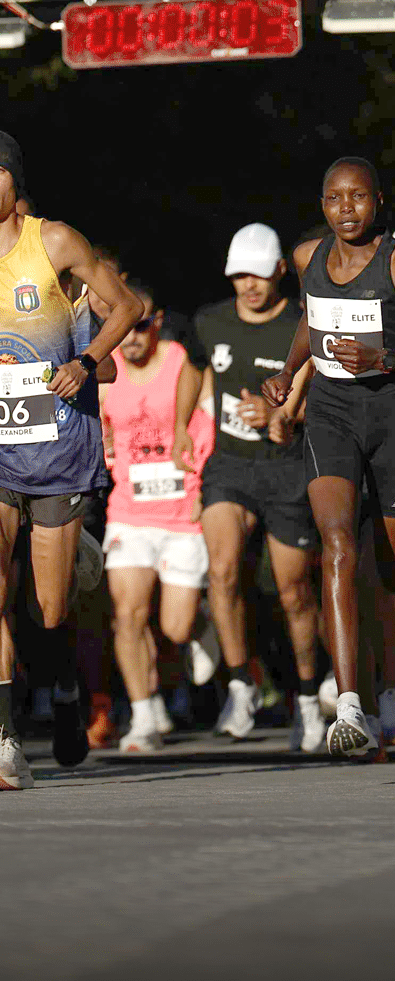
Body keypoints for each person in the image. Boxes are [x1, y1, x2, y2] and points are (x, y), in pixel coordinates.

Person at [0, 128, 141, 791]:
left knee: (49, 608)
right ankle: (6, 742)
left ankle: (68, 685)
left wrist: (86, 359)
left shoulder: (55, 242)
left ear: (16, 183)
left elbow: (129, 306)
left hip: (56, 440)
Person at [263, 158, 395, 755]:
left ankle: (390, 694)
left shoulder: (393, 258)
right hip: (333, 416)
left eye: (358, 198)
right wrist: (290, 372)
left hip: (390, 418)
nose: (347, 209)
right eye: (335, 198)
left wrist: (386, 359)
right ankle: (349, 708)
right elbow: (309, 319)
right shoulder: (307, 257)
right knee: (336, 546)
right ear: (322, 203)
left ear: (379, 202)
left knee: (389, 571)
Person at [179, 224, 323, 751]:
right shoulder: (210, 320)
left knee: (294, 591)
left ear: (280, 272)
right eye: (240, 274)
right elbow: (193, 370)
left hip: (286, 468)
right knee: (221, 568)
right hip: (230, 465)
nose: (250, 285)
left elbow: (325, 389)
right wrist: (179, 429)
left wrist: (285, 411)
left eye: (259, 274)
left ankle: (308, 698)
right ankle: (240, 684)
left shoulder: (299, 323)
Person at [99, 284, 214, 753]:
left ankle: (202, 621)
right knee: (127, 616)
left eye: (140, 326)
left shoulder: (182, 362)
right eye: (123, 329)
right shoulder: (107, 370)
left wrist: (202, 492)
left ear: (158, 321)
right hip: (128, 512)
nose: (131, 338)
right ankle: (143, 716)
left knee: (174, 630)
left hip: (182, 511)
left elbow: (205, 428)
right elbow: (103, 430)